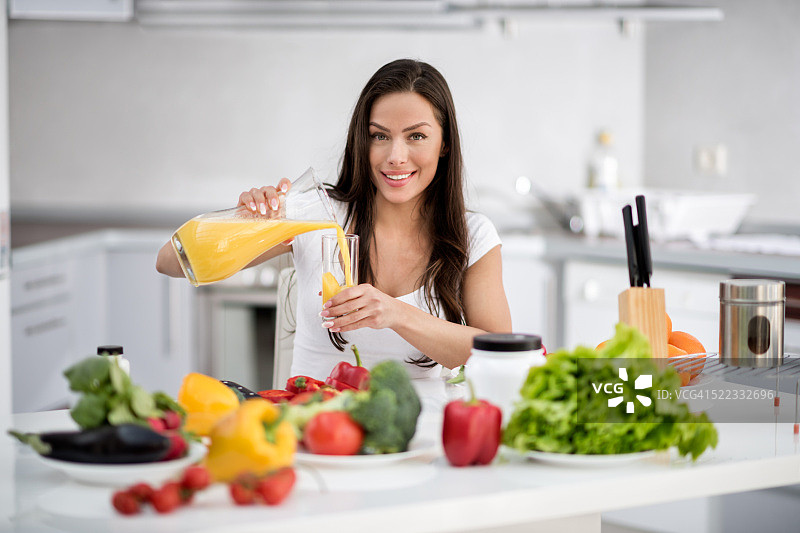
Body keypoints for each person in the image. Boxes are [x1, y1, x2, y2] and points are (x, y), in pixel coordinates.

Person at [157, 58, 511, 394]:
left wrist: (395, 313)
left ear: (445, 143)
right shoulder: (315, 214)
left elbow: (502, 355)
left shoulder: (472, 235)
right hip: (315, 425)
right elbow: (170, 262)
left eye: (416, 136)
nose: (395, 156)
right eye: (379, 136)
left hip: (420, 434)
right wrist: (244, 223)